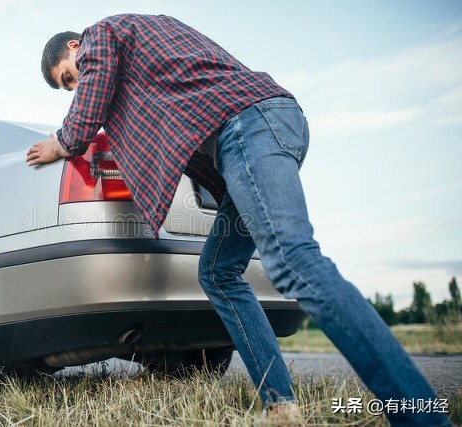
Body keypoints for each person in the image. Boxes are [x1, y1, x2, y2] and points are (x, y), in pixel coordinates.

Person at [27, 14, 451, 426]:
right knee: (217, 271)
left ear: (75, 48)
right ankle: (281, 407)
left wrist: (64, 143)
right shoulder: (137, 55)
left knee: (293, 261)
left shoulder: (101, 35)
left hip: (249, 125)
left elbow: (93, 93)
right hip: (254, 133)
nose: (76, 87)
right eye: (68, 86)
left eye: (68, 77)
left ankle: (420, 414)